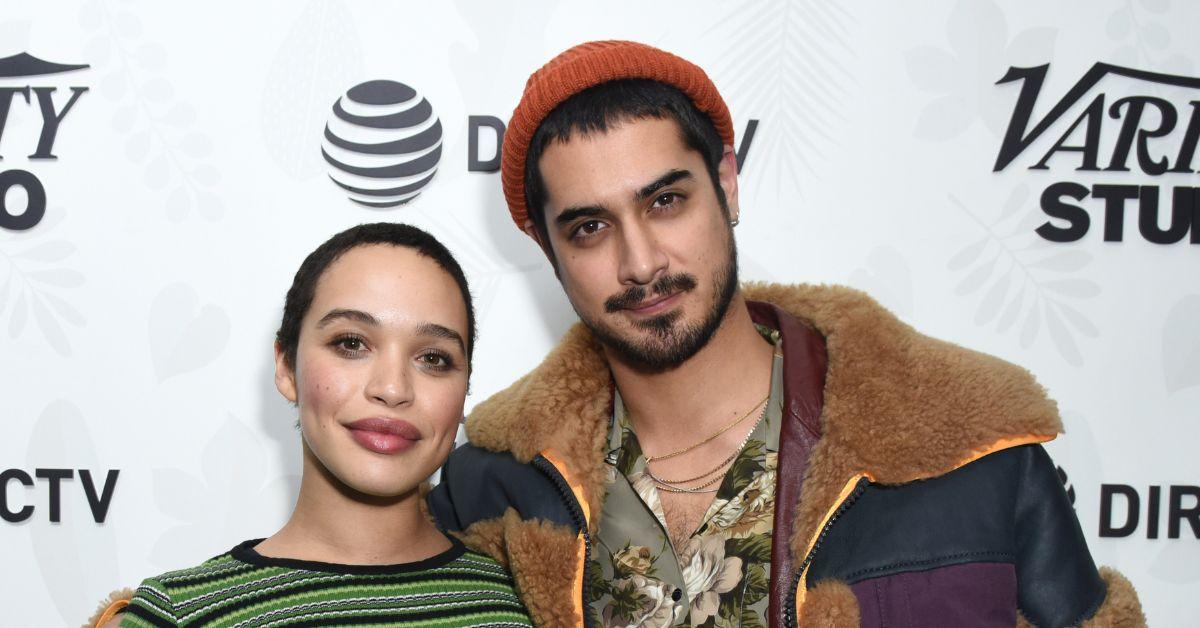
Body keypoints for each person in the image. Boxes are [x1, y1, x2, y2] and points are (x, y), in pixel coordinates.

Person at [427, 41, 1145, 627]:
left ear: (728, 186)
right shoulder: (494, 488)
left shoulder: (966, 445)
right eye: (589, 228)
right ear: (549, 252)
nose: (640, 262)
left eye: (667, 201)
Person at [89, 223, 533, 627]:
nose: (393, 388)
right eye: (351, 343)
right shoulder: (176, 616)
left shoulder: (530, 607)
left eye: (433, 358)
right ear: (286, 368)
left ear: (465, 390)